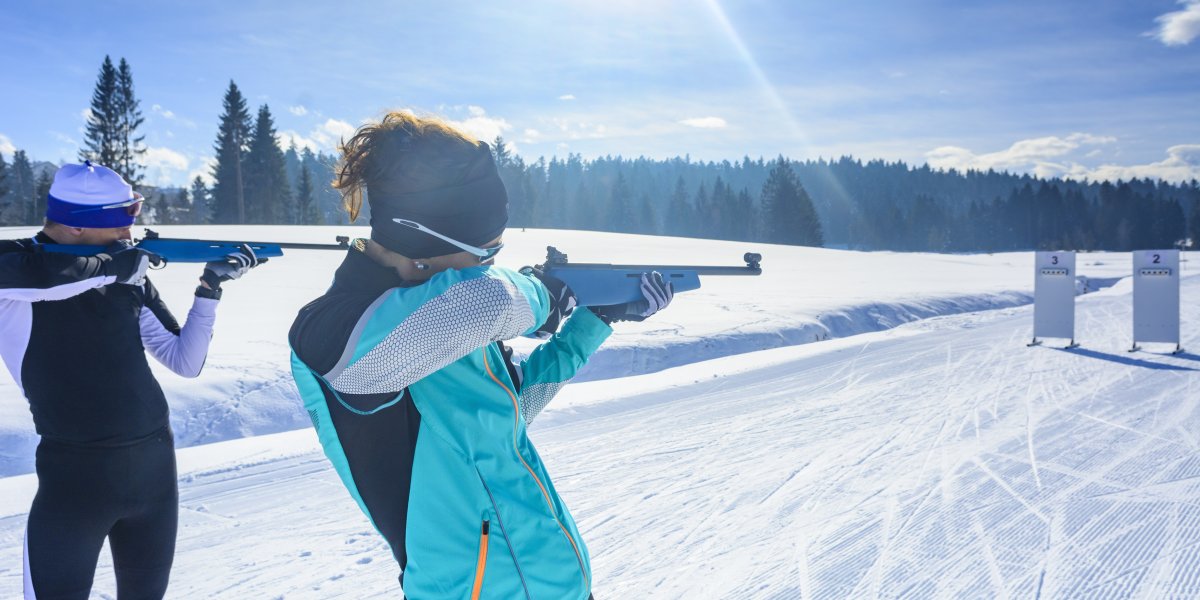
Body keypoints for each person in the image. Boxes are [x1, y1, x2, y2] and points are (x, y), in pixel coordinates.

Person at [288, 112, 674, 599]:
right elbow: (484, 299)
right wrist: (542, 293)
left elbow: (507, 414)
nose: (490, 267)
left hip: (559, 582)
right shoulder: (330, 331)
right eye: (485, 255)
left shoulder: (443, 314)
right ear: (424, 242)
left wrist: (594, 323)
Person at [0, 162, 263, 599]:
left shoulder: (127, 275)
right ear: (77, 225)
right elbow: (50, 278)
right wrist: (118, 267)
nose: (130, 232)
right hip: (73, 481)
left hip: (154, 471)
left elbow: (186, 361)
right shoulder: (13, 265)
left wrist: (210, 288)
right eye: (121, 220)